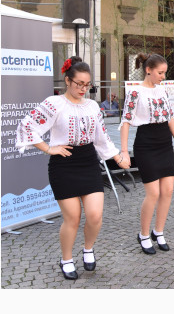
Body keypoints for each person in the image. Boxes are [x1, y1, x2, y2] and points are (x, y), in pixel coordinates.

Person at [15, 56, 129, 280]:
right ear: (67, 81)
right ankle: (66, 258)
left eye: (87, 85)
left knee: (95, 215)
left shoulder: (93, 106)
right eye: (79, 84)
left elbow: (101, 138)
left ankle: (88, 249)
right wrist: (48, 148)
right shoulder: (54, 103)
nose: (83, 89)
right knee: (73, 218)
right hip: (64, 164)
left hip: (88, 161)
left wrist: (117, 156)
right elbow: (27, 125)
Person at [120, 53, 174, 255]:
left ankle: (158, 231)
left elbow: (170, 119)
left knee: (167, 191)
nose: (162, 76)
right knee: (154, 193)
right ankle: (143, 234)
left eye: (164, 73)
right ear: (148, 70)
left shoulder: (163, 91)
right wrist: (124, 151)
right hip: (146, 142)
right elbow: (125, 122)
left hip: (164, 142)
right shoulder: (135, 92)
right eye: (160, 72)